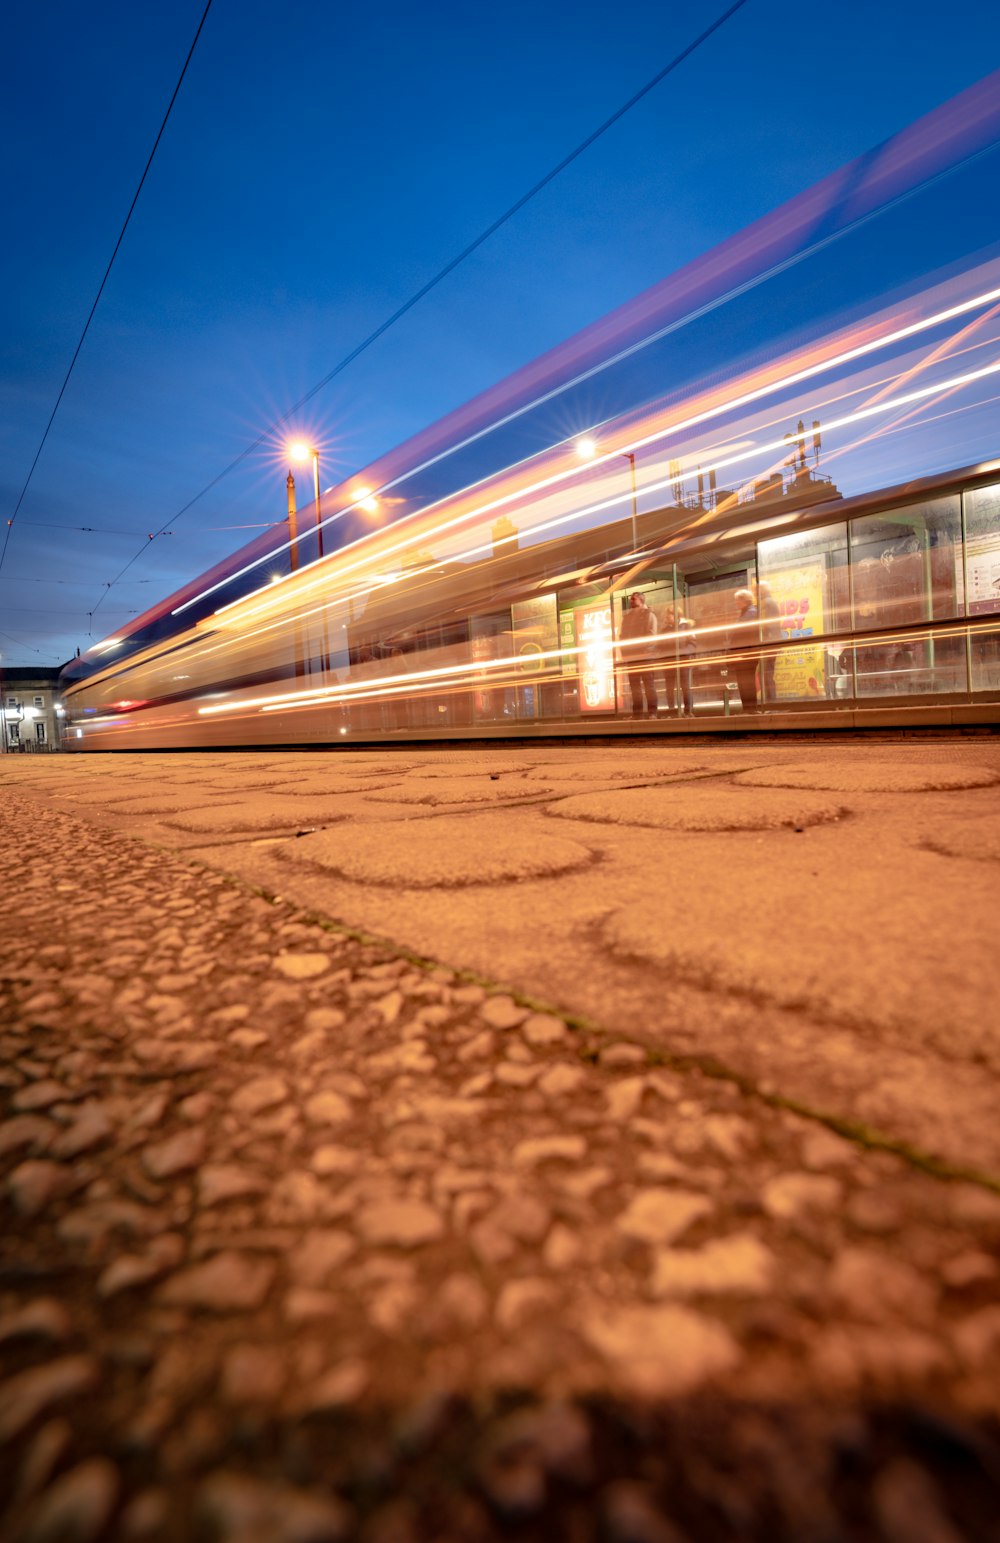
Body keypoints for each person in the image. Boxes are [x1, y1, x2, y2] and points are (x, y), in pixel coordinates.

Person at [618, 592, 658, 718]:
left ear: (641, 600)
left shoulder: (648, 615)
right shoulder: (629, 617)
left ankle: (652, 712)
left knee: (648, 685)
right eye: (631, 599)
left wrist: (634, 650)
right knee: (635, 686)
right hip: (635, 656)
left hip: (644, 656)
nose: (631, 601)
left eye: (633, 599)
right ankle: (638, 713)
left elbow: (652, 635)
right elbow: (622, 636)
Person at [730, 588, 759, 713]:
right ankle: (747, 708)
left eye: (737, 600)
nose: (736, 603)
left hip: (746, 653)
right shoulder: (745, 612)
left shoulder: (751, 612)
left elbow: (742, 632)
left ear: (744, 600)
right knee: (743, 682)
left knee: (747, 682)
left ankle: (750, 708)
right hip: (742, 653)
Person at [756, 580, 781, 703]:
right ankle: (770, 703)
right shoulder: (768, 602)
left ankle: (771, 704)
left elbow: (766, 624)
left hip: (768, 644)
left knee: (766, 676)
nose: (755, 592)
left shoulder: (766, 603)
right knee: (766, 675)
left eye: (757, 589)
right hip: (770, 643)